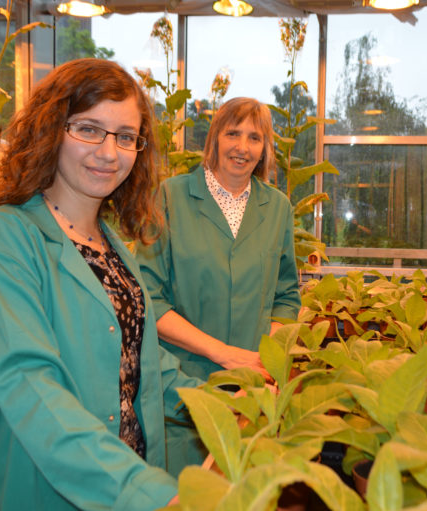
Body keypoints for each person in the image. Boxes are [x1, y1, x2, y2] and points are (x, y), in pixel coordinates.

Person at [0, 58, 201, 511]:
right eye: (89, 129)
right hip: (44, 486)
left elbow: (139, 361)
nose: (109, 153)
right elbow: (29, 382)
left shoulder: (111, 245)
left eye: (126, 137)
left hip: (124, 477)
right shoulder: (5, 238)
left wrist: (221, 401)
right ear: (52, 129)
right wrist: (143, 493)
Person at [137, 97, 301, 473]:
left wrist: (265, 360)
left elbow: (286, 295)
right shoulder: (170, 197)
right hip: (182, 389)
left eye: (255, 138)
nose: (243, 147)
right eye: (233, 134)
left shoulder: (277, 208)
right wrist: (223, 353)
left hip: (253, 391)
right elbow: (149, 299)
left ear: (265, 149)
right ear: (214, 138)